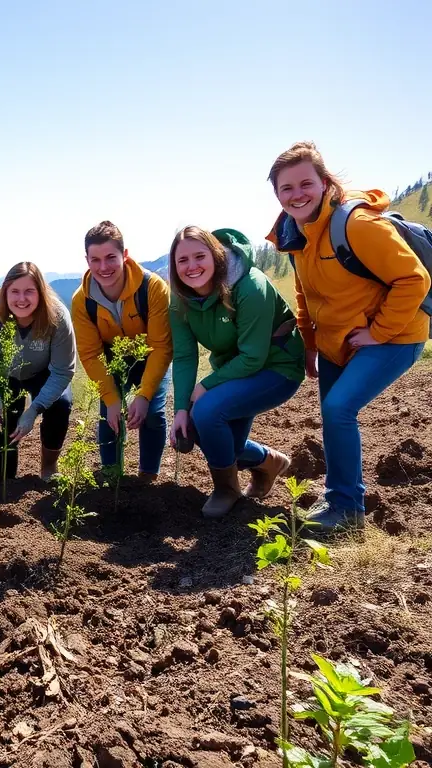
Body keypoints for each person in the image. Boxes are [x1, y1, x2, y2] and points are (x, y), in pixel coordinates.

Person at [266, 141, 430, 530]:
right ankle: (341, 498)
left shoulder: (356, 224)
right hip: (340, 339)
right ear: (277, 194)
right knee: (332, 413)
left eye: (305, 183)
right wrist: (309, 344)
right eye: (286, 188)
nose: (296, 194)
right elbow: (306, 294)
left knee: (339, 408)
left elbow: (414, 278)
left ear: (324, 183)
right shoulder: (294, 233)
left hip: (397, 334)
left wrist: (379, 331)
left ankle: (347, 509)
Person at [169, 226, 305, 518]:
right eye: (183, 260)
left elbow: (254, 357)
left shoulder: (249, 286)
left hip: (276, 369)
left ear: (216, 256)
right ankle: (268, 462)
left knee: (206, 412)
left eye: (199, 256)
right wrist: (180, 409)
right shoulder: (180, 299)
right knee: (200, 425)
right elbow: (183, 355)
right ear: (174, 265)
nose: (192, 266)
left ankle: (226, 489)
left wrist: (204, 386)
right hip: (236, 371)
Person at [71, 221, 173, 481]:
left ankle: (147, 477)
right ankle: (111, 476)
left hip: (150, 355)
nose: (103, 267)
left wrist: (144, 394)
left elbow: (162, 346)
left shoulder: (153, 288)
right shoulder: (82, 300)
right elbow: (90, 354)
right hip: (111, 359)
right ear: (87, 260)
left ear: (125, 255)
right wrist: (112, 398)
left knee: (151, 413)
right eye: (95, 260)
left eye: (110, 258)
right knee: (109, 417)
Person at [0, 262, 75, 480]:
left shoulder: (57, 317)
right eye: (14, 291)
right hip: (5, 375)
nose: (21, 299)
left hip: (44, 373)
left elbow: (63, 370)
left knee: (60, 406)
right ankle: (5, 483)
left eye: (29, 291)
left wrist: (34, 410)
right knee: (3, 428)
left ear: (41, 292)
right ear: (5, 291)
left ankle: (48, 468)